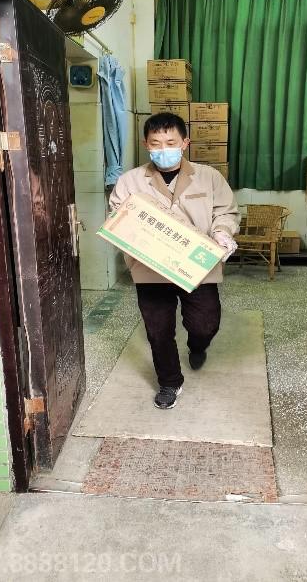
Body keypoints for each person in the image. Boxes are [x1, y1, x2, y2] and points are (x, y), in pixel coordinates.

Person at [109, 113, 241, 409]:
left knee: (205, 323)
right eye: (156, 143)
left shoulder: (209, 177)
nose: (163, 149)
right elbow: (118, 216)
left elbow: (225, 211)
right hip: (150, 268)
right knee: (158, 330)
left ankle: (198, 344)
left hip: (198, 267)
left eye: (170, 142)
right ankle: (169, 382)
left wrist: (222, 232)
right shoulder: (130, 181)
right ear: (146, 144)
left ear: (185, 143)